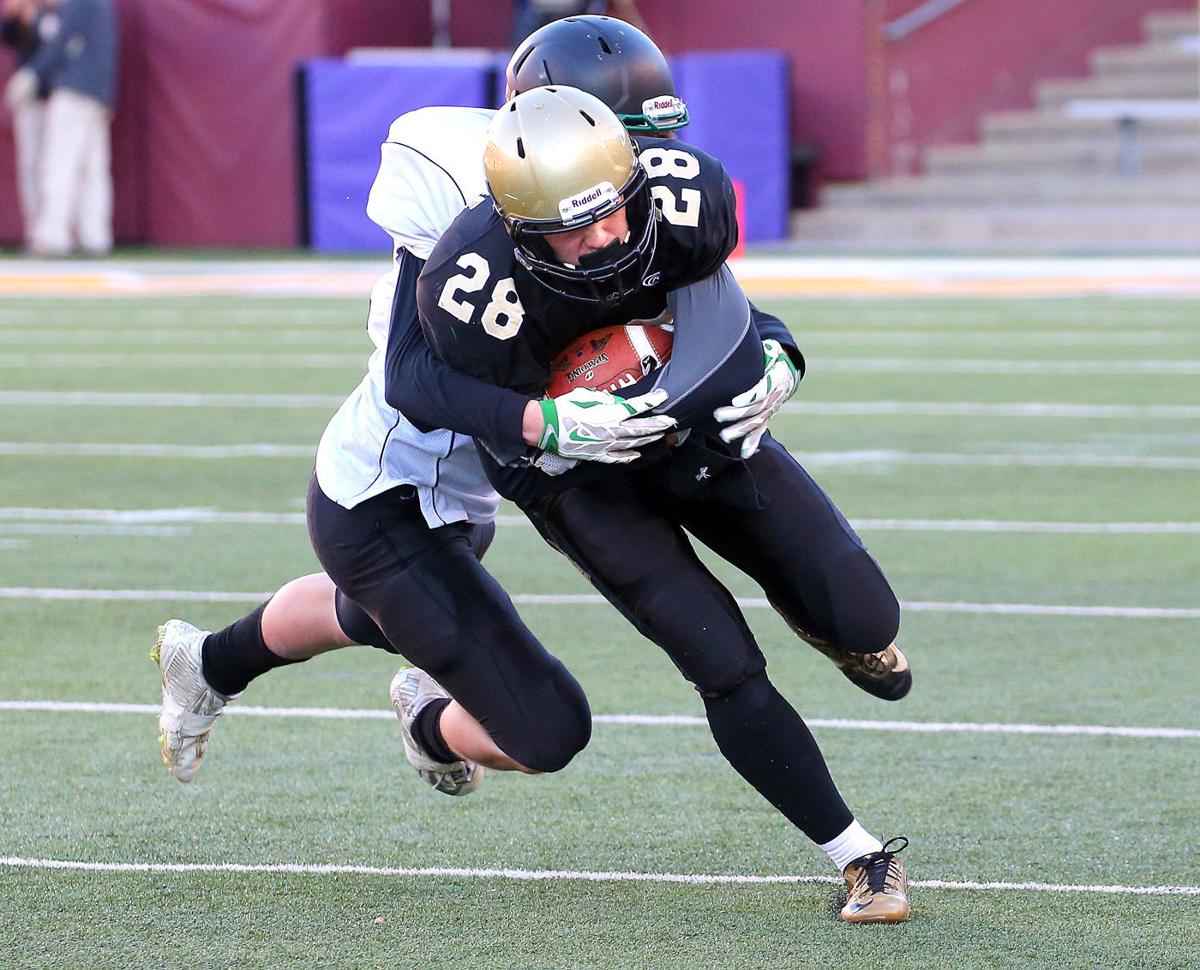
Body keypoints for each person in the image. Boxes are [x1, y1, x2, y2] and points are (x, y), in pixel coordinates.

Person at [153, 17, 800, 789]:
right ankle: (429, 727)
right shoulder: (465, 197)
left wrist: (771, 347)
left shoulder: (613, 207)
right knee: (541, 727)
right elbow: (414, 380)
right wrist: (546, 422)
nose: (639, 169)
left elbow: (697, 298)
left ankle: (206, 661)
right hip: (392, 488)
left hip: (467, 491)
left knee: (367, 613)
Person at [417, 86, 912, 923]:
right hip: (581, 475)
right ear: (514, 224)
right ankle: (859, 855)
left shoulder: (683, 194)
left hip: (695, 429)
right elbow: (440, 396)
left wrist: (779, 356)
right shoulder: (467, 287)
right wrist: (547, 428)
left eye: (612, 212)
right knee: (718, 657)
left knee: (866, 615)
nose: (604, 236)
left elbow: (725, 307)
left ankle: (830, 628)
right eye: (572, 229)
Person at [5, 0, 115, 256]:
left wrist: (32, 74)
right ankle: (94, 236)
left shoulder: (79, 4)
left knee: (59, 164)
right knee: (92, 168)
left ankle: (53, 235)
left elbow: (61, 42)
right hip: (98, 92)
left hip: (74, 91)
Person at [2, 0, 51, 248]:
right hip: (29, 100)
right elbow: (8, 39)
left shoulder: (50, 11)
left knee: (53, 165)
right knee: (30, 163)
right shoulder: (20, 15)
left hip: (52, 97)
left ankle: (54, 226)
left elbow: (56, 50)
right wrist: (13, 17)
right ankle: (35, 229)